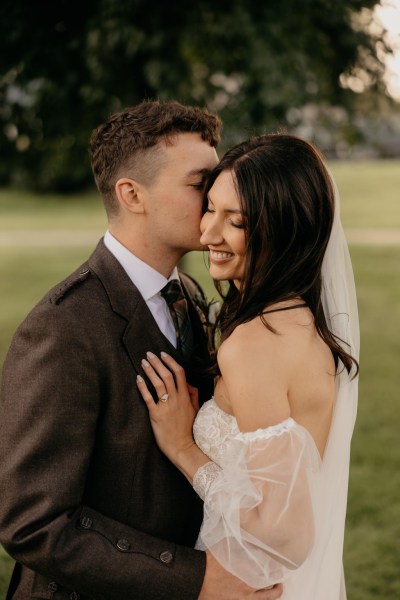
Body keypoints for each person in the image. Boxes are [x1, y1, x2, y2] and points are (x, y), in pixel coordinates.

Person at [0, 101, 283, 600]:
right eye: (200, 183)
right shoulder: (63, 327)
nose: (218, 194)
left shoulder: (192, 297)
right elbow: (33, 523)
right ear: (132, 194)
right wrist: (195, 579)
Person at [137, 134, 360, 600]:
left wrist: (183, 448)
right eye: (210, 208)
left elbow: (285, 532)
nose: (208, 234)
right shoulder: (297, 319)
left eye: (235, 221)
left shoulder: (257, 344)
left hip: (249, 585)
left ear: (282, 229)